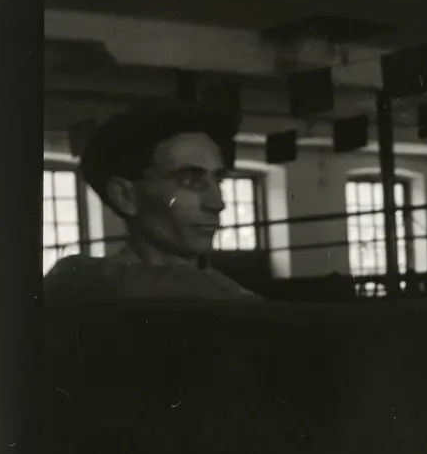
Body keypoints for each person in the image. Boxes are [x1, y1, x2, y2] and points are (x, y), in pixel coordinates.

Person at [43, 100, 262, 303]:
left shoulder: (229, 296)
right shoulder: (83, 290)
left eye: (218, 180)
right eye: (188, 181)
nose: (218, 203)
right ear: (125, 196)